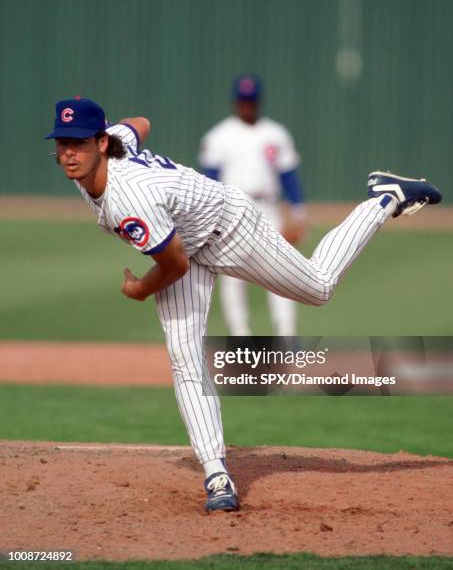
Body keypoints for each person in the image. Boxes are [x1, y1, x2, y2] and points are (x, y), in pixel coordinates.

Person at [46, 96, 442, 513]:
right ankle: (216, 474)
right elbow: (139, 122)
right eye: (62, 143)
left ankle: (383, 198)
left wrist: (140, 290)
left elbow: (173, 265)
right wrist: (123, 136)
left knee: (319, 287)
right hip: (186, 239)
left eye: (80, 143)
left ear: (101, 143)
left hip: (227, 226)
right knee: (184, 358)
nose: (69, 153)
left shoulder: (130, 197)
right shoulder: (99, 157)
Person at [199, 75, 305, 336]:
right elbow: (209, 179)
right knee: (233, 276)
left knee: (282, 273)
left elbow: (288, 175)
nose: (247, 105)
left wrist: (299, 213)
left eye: (251, 101)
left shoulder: (275, 133)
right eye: (243, 101)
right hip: (232, 210)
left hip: (267, 207)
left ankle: (286, 336)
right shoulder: (220, 135)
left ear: (259, 101)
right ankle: (240, 335)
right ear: (236, 102)